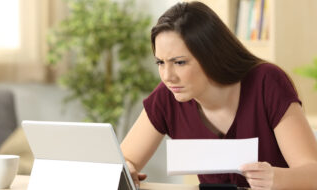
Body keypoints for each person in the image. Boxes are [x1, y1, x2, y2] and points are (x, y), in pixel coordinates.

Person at [120, 1, 317, 190]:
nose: (167, 76)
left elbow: (313, 173)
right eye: (160, 63)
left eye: (179, 62)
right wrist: (126, 169)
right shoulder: (168, 96)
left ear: (210, 55)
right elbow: (120, 162)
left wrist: (277, 179)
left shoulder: (267, 82)